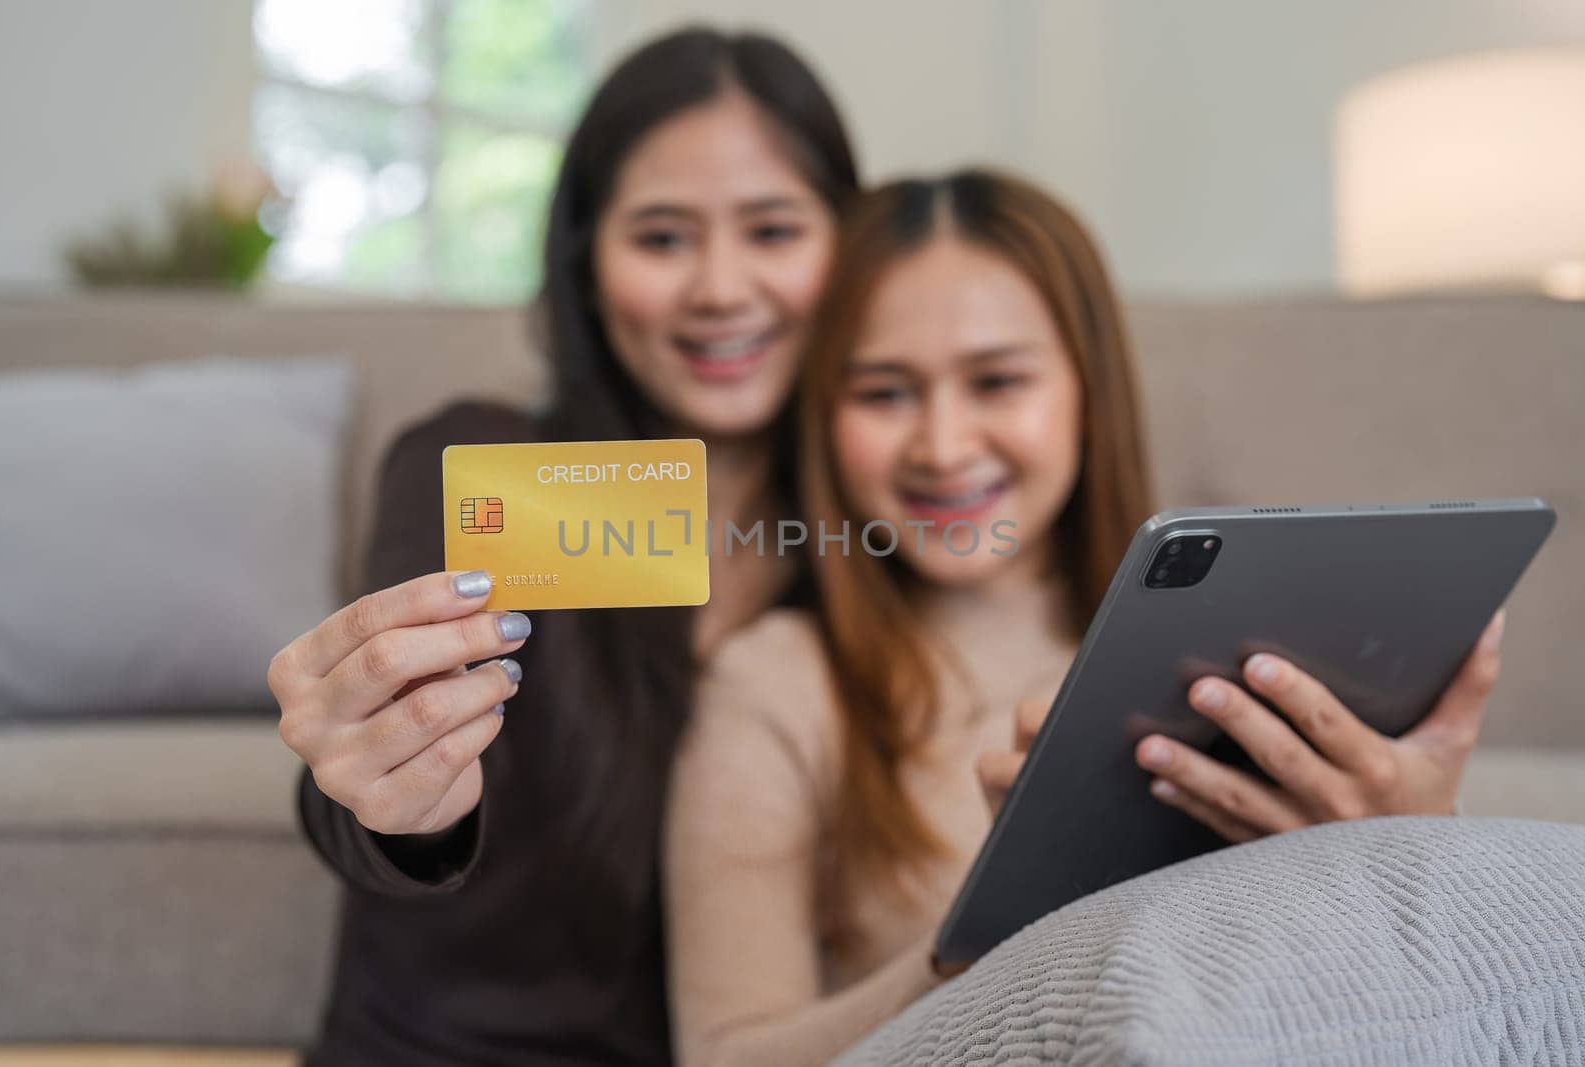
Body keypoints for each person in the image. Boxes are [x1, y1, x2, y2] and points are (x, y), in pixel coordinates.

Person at [663, 170, 1506, 1066]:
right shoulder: (777, 685)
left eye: (997, 380)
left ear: (1087, 389)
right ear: (822, 418)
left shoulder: (1248, 644)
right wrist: (979, 946)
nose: (943, 445)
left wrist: (1420, 836)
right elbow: (725, 1056)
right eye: (884, 392)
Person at [267, 28, 859, 1066]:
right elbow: (364, 797)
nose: (720, 287)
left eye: (772, 229)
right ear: (586, 265)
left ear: (848, 253)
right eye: (663, 237)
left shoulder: (879, 534)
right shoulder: (481, 466)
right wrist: (385, 786)